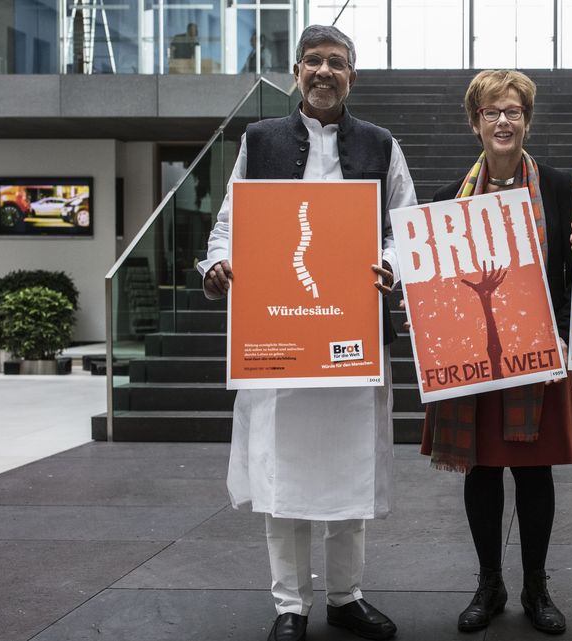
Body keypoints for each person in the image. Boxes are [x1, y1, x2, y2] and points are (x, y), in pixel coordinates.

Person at [198, 25, 417, 641]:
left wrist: (390, 265)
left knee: (352, 472)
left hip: (355, 343)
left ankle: (346, 597)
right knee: (283, 476)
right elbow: (228, 226)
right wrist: (216, 266)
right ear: (296, 71)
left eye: (337, 62)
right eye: (314, 62)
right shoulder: (259, 140)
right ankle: (289, 606)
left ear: (354, 73)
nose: (325, 72)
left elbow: (406, 227)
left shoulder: (381, 143)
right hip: (281, 342)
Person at [418, 69, 572, 636]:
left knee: (534, 474)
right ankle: (490, 583)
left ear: (527, 120)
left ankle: (537, 586)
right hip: (477, 353)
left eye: (513, 111)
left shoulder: (560, 190)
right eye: (492, 113)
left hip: (541, 353)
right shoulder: (446, 202)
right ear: (475, 123)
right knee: (482, 470)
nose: (503, 121)